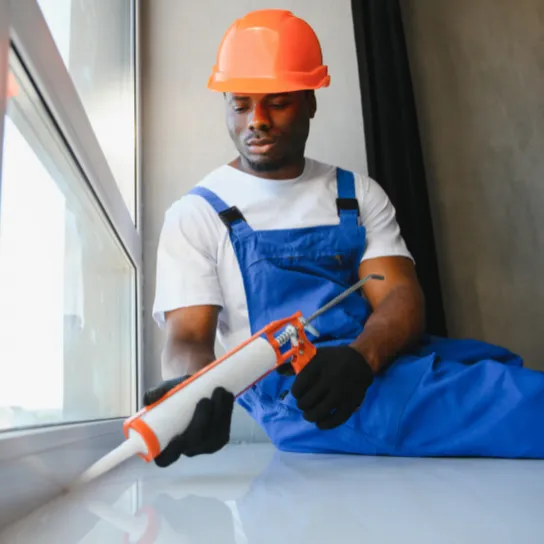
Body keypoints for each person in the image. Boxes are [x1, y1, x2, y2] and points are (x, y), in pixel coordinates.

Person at [147, 9, 544, 467]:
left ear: (311, 101)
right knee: (527, 406)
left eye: (276, 102)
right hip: (312, 401)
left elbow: (399, 293)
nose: (256, 120)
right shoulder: (198, 213)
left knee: (502, 366)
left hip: (372, 366)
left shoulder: (356, 194)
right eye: (240, 104)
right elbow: (186, 339)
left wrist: (362, 358)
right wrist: (192, 395)